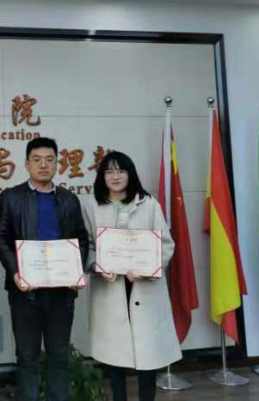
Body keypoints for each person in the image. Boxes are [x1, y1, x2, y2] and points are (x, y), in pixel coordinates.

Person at [0, 137, 89, 401]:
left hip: (61, 292)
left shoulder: (69, 199)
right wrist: (15, 271)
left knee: (59, 356)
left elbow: (81, 239)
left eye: (49, 160)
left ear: (57, 164)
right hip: (25, 292)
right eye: (37, 160)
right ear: (27, 164)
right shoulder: (11, 198)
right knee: (27, 357)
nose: (43, 165)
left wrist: (76, 271)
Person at [83, 151, 181, 401]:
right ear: (102, 177)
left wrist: (148, 269)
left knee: (147, 357)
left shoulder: (149, 204)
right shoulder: (92, 206)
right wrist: (97, 266)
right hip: (110, 287)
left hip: (144, 287)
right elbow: (88, 246)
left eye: (121, 171)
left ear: (130, 174)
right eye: (109, 172)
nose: (115, 177)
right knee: (114, 357)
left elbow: (166, 244)